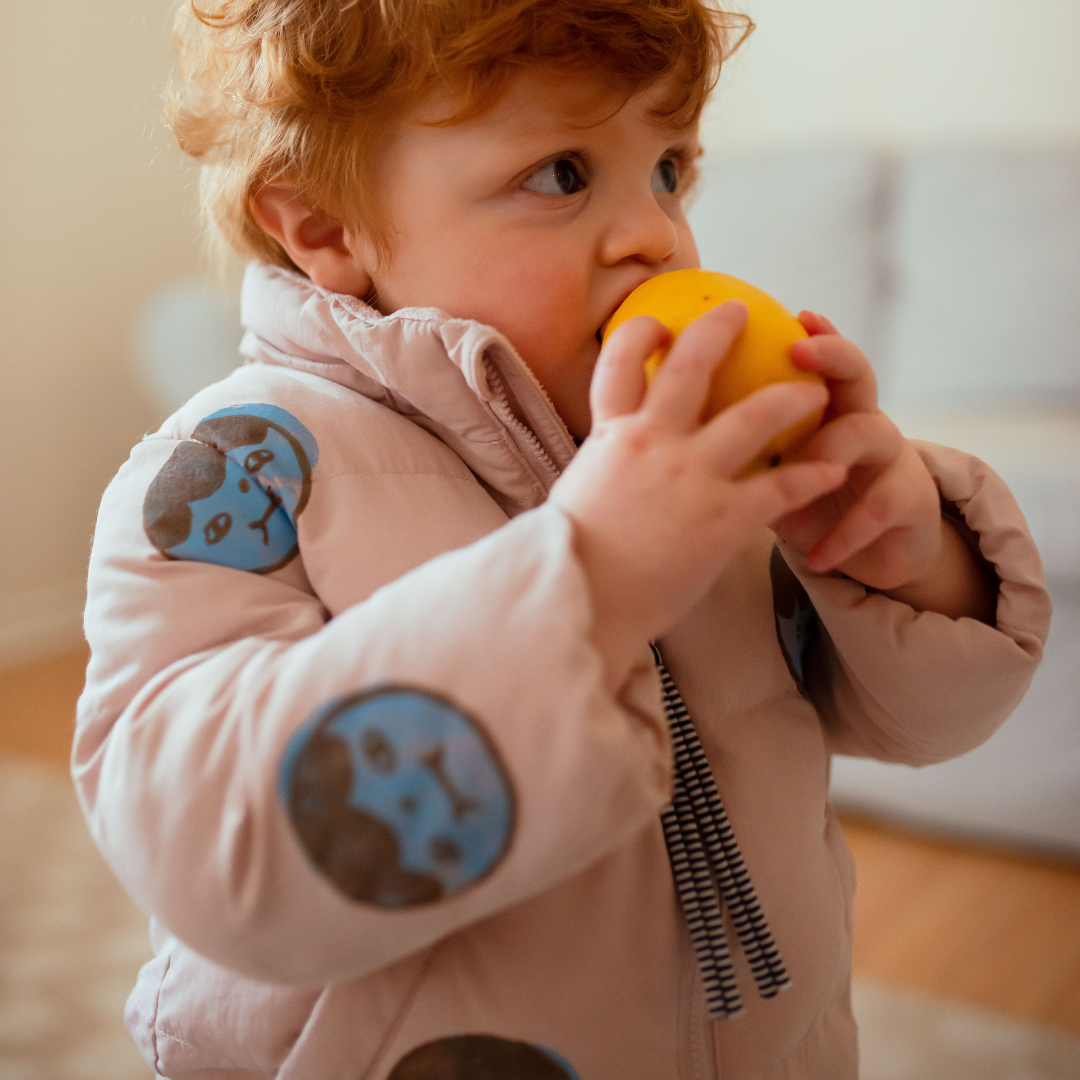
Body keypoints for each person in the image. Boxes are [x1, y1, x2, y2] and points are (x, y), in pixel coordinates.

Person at [74, 1, 1051, 1077]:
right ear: (325, 227)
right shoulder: (240, 469)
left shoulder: (684, 459)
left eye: (669, 169)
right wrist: (589, 578)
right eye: (561, 175)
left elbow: (916, 725)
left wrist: (903, 559)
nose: (658, 235)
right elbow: (214, 857)